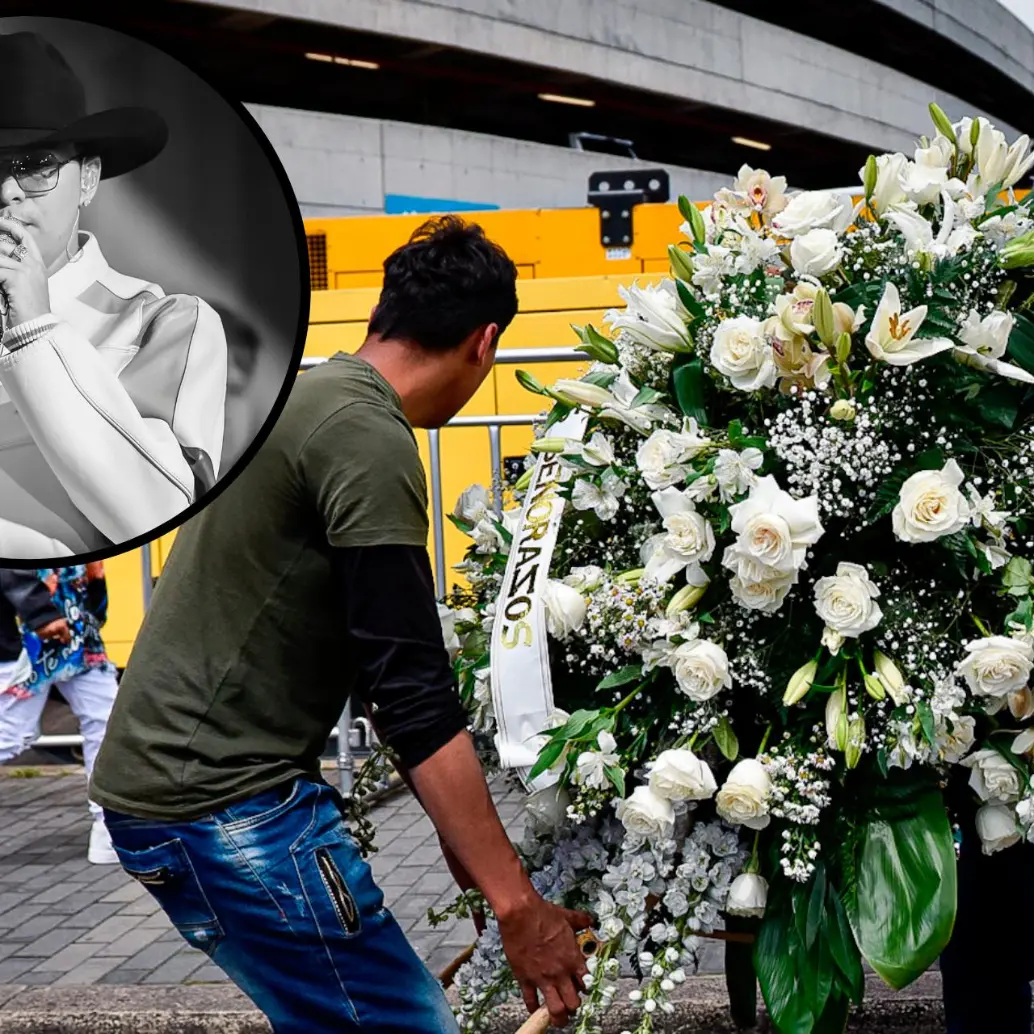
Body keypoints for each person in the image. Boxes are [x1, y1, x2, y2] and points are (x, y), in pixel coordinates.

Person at [91, 216, 591, 1034]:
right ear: (486, 341)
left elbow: (384, 679)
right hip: (220, 802)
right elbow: (414, 691)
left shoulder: (315, 396)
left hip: (188, 791)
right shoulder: (364, 438)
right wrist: (517, 906)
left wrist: (483, 878)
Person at [0, 31, 227, 560]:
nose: (7, 190)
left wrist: (34, 329)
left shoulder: (163, 322)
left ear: (88, 180)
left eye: (35, 166)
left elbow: (160, 515)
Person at [0, 564, 120, 865]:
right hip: (30, 632)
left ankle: (109, 829)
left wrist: (94, 593)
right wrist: (41, 613)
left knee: (108, 724)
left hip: (77, 628)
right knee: (10, 736)